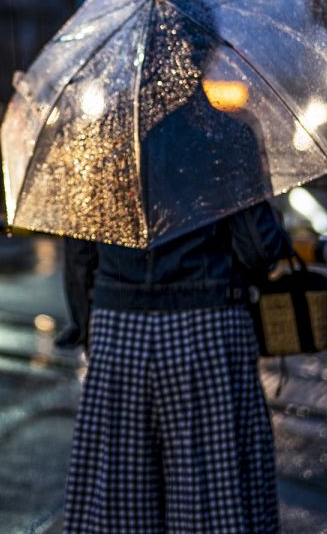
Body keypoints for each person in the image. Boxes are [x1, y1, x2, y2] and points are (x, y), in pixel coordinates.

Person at [58, 200, 291, 533]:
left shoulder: (98, 149)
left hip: (118, 328)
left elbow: (79, 257)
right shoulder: (220, 146)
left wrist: (90, 329)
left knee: (119, 506)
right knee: (212, 502)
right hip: (206, 325)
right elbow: (258, 247)